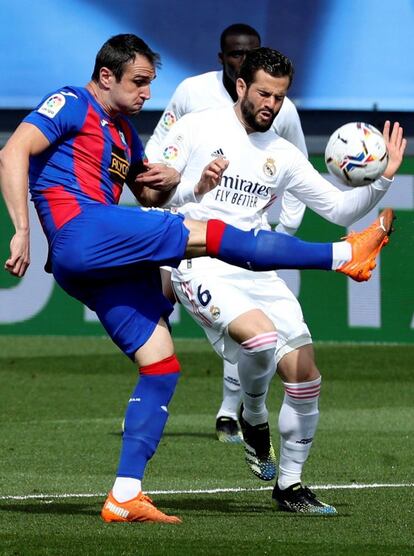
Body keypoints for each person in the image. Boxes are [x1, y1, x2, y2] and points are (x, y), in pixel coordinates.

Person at [0, 34, 398, 524]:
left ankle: (125, 495)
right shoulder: (70, 102)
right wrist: (21, 230)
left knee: (161, 364)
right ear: (107, 76)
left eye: (150, 83)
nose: (148, 94)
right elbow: (13, 151)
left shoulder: (125, 135)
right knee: (209, 234)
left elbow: (152, 198)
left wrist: (190, 185)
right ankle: (343, 256)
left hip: (96, 259)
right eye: (139, 83)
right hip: (81, 229)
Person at [142, 47, 406, 514]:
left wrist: (382, 180)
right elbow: (151, 193)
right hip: (197, 261)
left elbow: (340, 208)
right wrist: (193, 187)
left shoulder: (282, 153)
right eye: (263, 92)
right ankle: (254, 414)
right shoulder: (195, 127)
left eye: (280, 97)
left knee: (306, 377)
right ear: (241, 86)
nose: (271, 104)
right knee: (260, 340)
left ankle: (290, 485)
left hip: (257, 267)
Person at [146, 23, 309, 443]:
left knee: (249, 324)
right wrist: (162, 201)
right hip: (184, 226)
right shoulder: (192, 94)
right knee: (159, 305)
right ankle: (154, 384)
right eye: (236, 54)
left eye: (251, 51)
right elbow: (158, 149)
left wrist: (284, 229)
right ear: (223, 59)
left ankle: (228, 411)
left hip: (249, 235)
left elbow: (296, 164)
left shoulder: (276, 105)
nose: (243, 58)